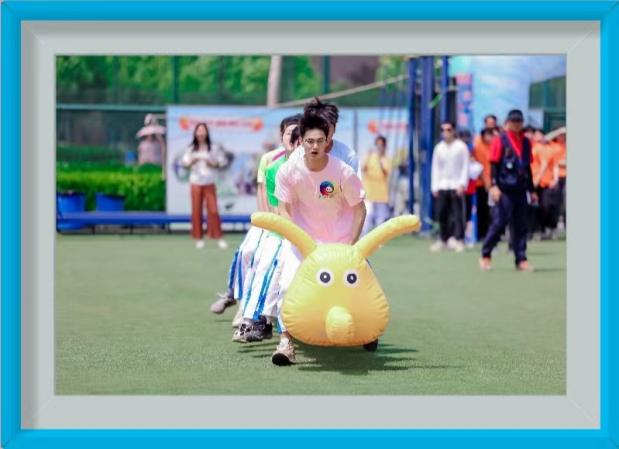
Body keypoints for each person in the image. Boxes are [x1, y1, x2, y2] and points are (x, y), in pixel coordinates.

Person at [271, 113, 366, 365]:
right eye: (309, 141)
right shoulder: (288, 171)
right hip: (303, 241)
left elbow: (360, 209)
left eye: (320, 141)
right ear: (301, 141)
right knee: (288, 285)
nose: (315, 146)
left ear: (327, 141)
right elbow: (283, 208)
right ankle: (286, 342)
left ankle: (366, 330)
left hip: (339, 242)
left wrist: (351, 245)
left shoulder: (343, 171)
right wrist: (298, 239)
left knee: (350, 286)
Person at [210, 115, 302, 317]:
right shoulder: (270, 160)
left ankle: (262, 312)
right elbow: (263, 194)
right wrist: (267, 224)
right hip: (269, 221)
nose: (292, 137)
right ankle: (235, 297)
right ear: (281, 135)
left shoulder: (307, 162)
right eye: (288, 132)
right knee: (247, 251)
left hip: (291, 226)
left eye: (296, 133)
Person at [479, 109, 538, 272]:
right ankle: (486, 254)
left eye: (519, 121)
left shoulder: (526, 142)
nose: (516, 124)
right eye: (513, 121)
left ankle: (521, 259)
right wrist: (494, 186)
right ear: (508, 122)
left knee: (521, 226)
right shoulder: (500, 140)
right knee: (499, 223)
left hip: (520, 189)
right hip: (504, 189)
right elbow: (494, 164)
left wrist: (532, 190)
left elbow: (527, 168)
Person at [182, 122, 228, 250]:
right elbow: (185, 164)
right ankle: (198, 238)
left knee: (213, 210)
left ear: (207, 133)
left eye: (203, 130)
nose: (201, 133)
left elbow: (222, 162)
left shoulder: (213, 148)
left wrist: (212, 163)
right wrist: (193, 161)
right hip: (195, 182)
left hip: (209, 182)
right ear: (195, 133)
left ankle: (218, 237)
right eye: (199, 131)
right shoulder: (191, 148)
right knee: (196, 210)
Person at [429, 121, 469, 253]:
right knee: (441, 213)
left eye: (449, 130)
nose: (446, 133)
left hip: (456, 185)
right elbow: (435, 168)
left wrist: (462, 184)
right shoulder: (439, 148)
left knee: (457, 214)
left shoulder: (461, 147)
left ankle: (459, 239)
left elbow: (465, 166)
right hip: (442, 185)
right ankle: (443, 239)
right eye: (443, 130)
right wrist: (435, 186)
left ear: (454, 131)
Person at [531, 128, 560, 239]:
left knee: (546, 206)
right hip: (533, 181)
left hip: (544, 182)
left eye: (539, 135)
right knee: (534, 208)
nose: (538, 137)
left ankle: (546, 228)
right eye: (536, 135)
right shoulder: (532, 147)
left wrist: (555, 179)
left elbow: (550, 165)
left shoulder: (547, 149)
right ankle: (538, 230)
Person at [361, 135, 392, 234]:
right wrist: (368, 155)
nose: (379, 147)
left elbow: (386, 172)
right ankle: (363, 237)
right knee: (367, 215)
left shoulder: (387, 159)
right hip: (369, 192)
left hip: (381, 194)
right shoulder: (369, 156)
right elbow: (363, 168)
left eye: (381, 145)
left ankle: (379, 239)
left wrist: (380, 160)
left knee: (380, 219)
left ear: (385, 146)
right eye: (377, 145)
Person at [472, 127, 494, 240]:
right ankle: (481, 234)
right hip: (480, 184)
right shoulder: (478, 146)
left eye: (490, 134)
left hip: (493, 183)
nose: (489, 137)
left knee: (492, 211)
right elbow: (477, 165)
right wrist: (485, 181)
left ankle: (491, 234)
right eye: (487, 134)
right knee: (482, 209)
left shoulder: (494, 146)